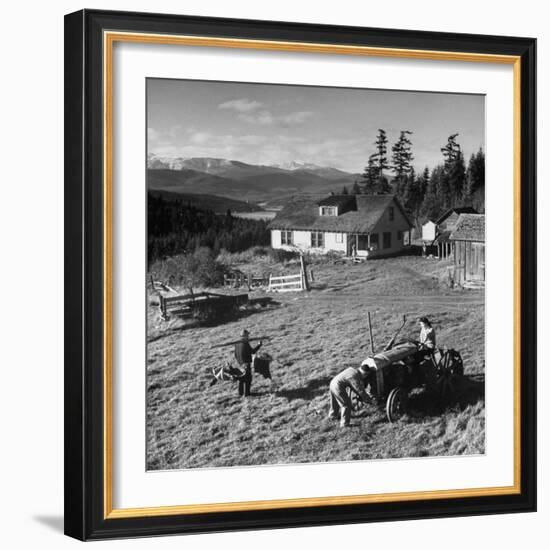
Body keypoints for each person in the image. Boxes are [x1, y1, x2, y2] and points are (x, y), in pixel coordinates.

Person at [234, 329, 262, 397]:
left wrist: (239, 362)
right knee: (248, 379)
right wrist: (259, 345)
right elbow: (252, 351)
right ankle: (247, 394)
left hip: (240, 364)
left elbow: (235, 354)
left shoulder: (237, 343)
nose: (248, 337)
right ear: (244, 336)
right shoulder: (245, 344)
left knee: (241, 378)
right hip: (246, 364)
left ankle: (240, 393)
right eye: (247, 335)